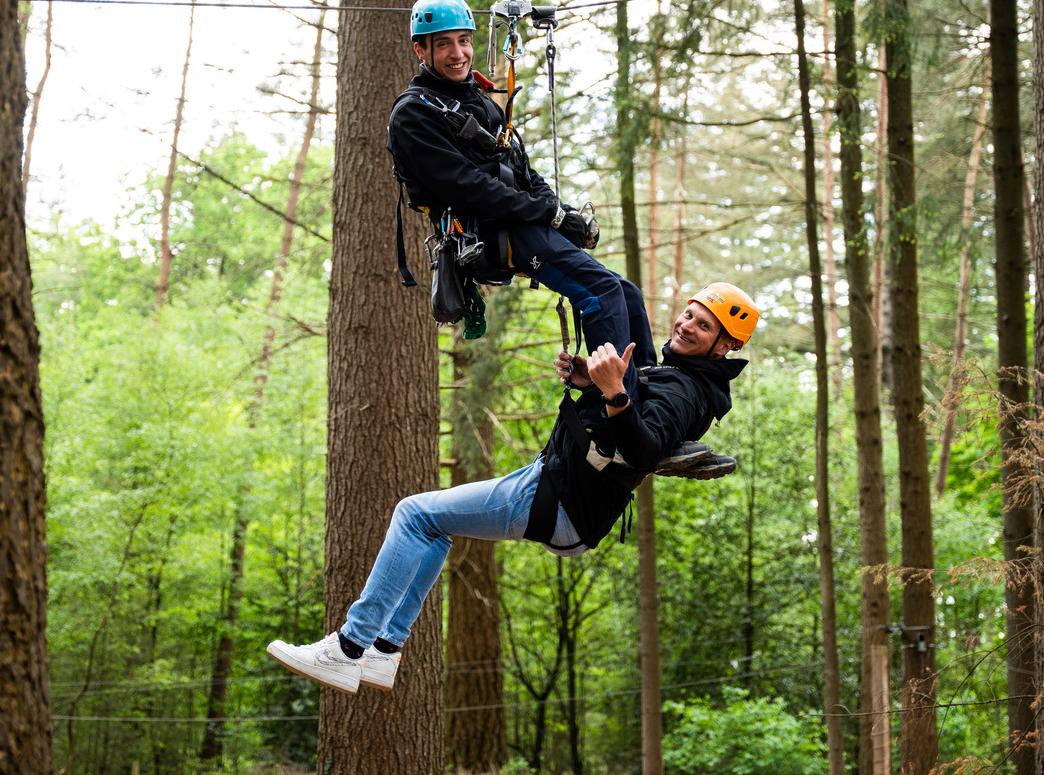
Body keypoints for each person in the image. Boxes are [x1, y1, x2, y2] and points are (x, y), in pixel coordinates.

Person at [266, 283, 760, 695]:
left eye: (703, 325)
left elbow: (644, 450)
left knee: (414, 514)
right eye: (689, 314)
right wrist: (594, 385)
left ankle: (349, 648)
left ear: (724, 346)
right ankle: (384, 653)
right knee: (432, 529)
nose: (686, 325)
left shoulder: (686, 390)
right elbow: (617, 426)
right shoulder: (677, 372)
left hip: (558, 499)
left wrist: (613, 391)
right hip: (555, 488)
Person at [388, 0, 655, 392]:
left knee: (626, 293)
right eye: (443, 43)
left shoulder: (478, 99)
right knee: (601, 293)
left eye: (464, 40)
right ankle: (618, 413)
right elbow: (469, 187)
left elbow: (521, 169)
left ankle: (651, 395)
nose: (457, 53)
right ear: (420, 50)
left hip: (518, 220)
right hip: (488, 230)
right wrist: (548, 216)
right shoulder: (413, 114)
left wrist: (563, 214)